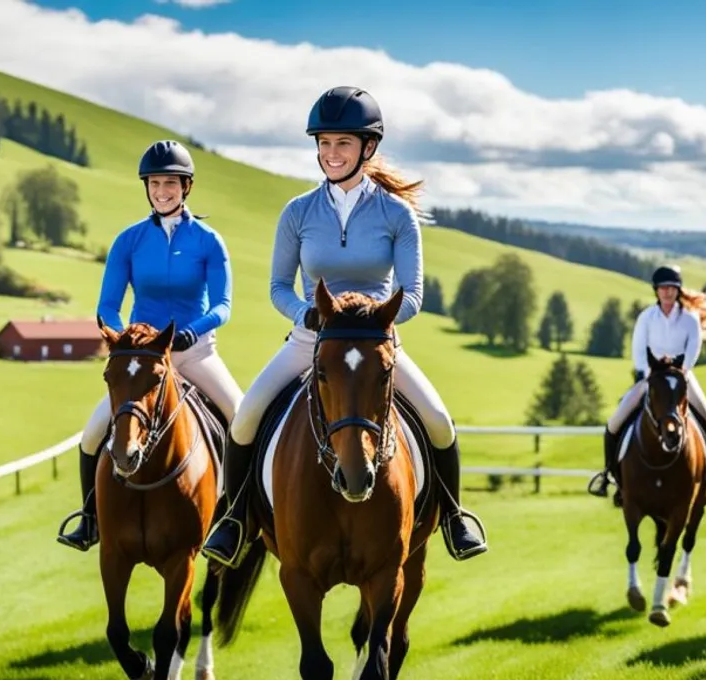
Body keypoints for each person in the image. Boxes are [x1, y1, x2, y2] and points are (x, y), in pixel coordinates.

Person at [200, 86, 488, 569]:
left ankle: (454, 518)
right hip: (313, 341)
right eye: (324, 143)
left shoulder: (397, 215)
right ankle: (233, 520)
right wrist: (304, 314)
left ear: (367, 148)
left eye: (343, 144)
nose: (331, 154)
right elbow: (277, 287)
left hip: (377, 343)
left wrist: (375, 319)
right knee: (247, 416)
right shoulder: (297, 212)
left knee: (438, 420)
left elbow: (413, 295)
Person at [56, 139, 245, 551]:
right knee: (91, 436)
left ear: (186, 187)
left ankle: (236, 519)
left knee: (241, 417)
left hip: (194, 352)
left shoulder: (209, 241)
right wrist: (127, 342)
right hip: (142, 360)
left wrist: (194, 331)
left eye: (171, 183)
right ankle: (90, 520)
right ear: (147, 187)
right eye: (156, 183)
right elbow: (108, 306)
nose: (163, 191)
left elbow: (224, 304)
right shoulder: (129, 241)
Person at [588, 264, 706, 501]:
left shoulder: (689, 319)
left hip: (682, 379)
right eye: (663, 288)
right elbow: (638, 350)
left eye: (672, 288)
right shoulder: (646, 317)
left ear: (678, 291)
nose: (668, 292)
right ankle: (609, 475)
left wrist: (681, 369)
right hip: (651, 377)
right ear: (656, 291)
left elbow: (693, 350)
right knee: (614, 422)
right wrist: (648, 371)